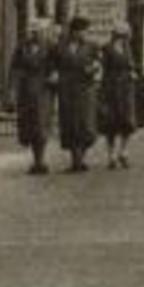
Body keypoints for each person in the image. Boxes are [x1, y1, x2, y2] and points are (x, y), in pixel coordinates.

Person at [53, 17, 99, 173]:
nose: (85, 34)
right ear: (74, 32)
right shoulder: (60, 47)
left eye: (86, 31)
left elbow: (99, 64)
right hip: (67, 89)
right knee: (70, 124)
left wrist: (93, 69)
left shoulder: (92, 46)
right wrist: (54, 74)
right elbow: (54, 64)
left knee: (85, 124)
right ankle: (76, 160)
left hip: (85, 89)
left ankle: (81, 158)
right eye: (83, 31)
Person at [10, 21, 55, 175]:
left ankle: (40, 161)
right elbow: (15, 67)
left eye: (38, 31)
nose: (35, 34)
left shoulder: (50, 47)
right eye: (32, 31)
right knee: (30, 126)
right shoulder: (22, 47)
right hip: (26, 90)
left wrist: (54, 75)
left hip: (44, 90)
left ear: (43, 32)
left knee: (41, 124)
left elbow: (56, 65)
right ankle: (36, 160)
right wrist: (14, 88)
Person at [98, 24, 139, 170]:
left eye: (125, 35)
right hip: (111, 87)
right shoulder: (107, 48)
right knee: (111, 123)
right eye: (122, 34)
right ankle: (111, 156)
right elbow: (102, 67)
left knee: (127, 121)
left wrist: (132, 71)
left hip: (126, 88)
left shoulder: (127, 48)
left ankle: (123, 151)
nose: (124, 37)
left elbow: (131, 64)